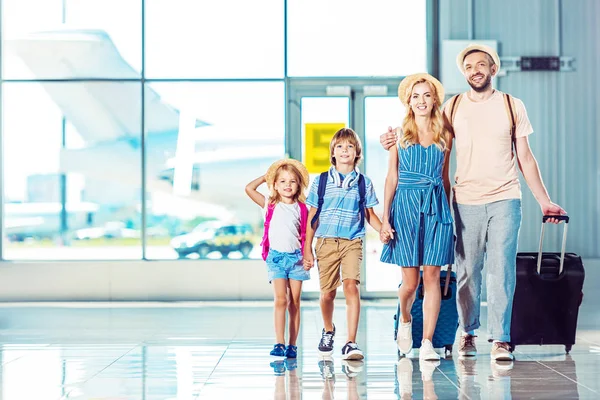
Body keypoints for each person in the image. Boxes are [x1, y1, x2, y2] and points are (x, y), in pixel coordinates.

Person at [380, 43, 566, 361]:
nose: (475, 70)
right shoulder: (452, 108)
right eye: (469, 66)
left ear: (493, 69)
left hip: (505, 197)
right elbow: (422, 135)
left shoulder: (511, 105)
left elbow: (526, 157)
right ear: (463, 73)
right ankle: (467, 332)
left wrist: (544, 200)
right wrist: (391, 140)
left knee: (500, 268)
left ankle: (501, 340)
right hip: (463, 201)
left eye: (482, 64)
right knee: (466, 272)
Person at [379, 73, 454, 362]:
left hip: (437, 208)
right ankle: (406, 318)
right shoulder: (398, 136)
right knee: (410, 284)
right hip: (406, 206)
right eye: (416, 96)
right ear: (408, 102)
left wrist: (449, 215)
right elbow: (391, 178)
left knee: (432, 277)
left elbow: (445, 179)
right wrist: (385, 219)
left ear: (435, 99)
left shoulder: (445, 134)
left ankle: (427, 343)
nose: (421, 101)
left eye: (426, 95)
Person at [303, 128, 383, 361]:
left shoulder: (363, 183)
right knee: (327, 294)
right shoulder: (321, 181)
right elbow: (312, 218)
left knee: (351, 286)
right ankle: (328, 329)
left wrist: (384, 230)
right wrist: (307, 248)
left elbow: (370, 215)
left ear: (357, 152)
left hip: (352, 242)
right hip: (325, 242)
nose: (345, 150)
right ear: (333, 153)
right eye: (340, 146)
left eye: (349, 146)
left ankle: (350, 342)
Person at [245, 158, 311, 358]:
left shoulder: (302, 208)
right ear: (275, 184)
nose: (287, 185)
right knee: (280, 300)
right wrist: (266, 177)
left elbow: (307, 234)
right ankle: (279, 343)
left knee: (295, 302)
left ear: (298, 184)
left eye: (292, 181)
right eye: (282, 181)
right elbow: (249, 188)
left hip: (297, 259)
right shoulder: (269, 204)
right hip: (276, 258)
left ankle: (292, 344)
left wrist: (309, 255)